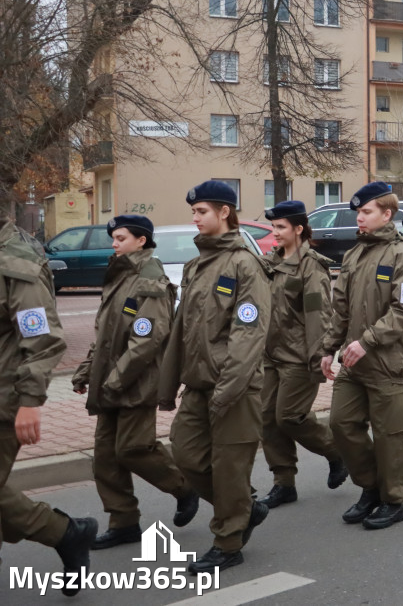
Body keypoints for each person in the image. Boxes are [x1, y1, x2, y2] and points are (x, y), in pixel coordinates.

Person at [158, 180, 271, 573]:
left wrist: (228, 390)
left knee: (229, 467)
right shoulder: (196, 265)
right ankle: (245, 507)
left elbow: (249, 333)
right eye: (193, 212)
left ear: (225, 212)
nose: (195, 218)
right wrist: (168, 384)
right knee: (186, 455)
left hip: (234, 387)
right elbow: (181, 330)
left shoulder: (244, 264)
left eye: (202, 211)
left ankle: (228, 542)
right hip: (198, 383)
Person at [72, 215, 198, 550]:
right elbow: (106, 334)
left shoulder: (148, 277)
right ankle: (124, 521)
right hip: (111, 381)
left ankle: (185, 487)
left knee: (133, 449)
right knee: (105, 457)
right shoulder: (119, 275)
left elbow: (149, 338)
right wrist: (86, 370)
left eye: (121, 238)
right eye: (113, 238)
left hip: (137, 381)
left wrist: (115, 380)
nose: (114, 243)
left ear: (141, 240)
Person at [0, 215, 96, 597]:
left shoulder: (15, 261)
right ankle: (67, 534)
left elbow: (42, 339)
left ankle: (66, 534)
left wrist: (29, 401)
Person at [319, 182, 403, 530]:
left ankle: (393, 500)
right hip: (354, 362)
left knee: (389, 434)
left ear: (386, 214)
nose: (359, 219)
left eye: (366, 212)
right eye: (358, 213)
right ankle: (370, 487)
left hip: (388, 361)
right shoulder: (354, 255)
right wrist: (328, 348)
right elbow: (341, 309)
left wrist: (368, 340)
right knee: (341, 424)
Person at [256, 201, 345, 510]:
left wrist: (320, 356)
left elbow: (318, 316)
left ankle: (336, 451)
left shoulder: (311, 267)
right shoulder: (270, 263)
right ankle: (284, 482)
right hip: (271, 355)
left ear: (298, 228)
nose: (275, 233)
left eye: (281, 227)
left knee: (290, 416)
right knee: (267, 419)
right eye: (274, 227)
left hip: (298, 355)